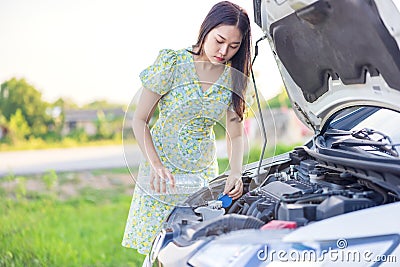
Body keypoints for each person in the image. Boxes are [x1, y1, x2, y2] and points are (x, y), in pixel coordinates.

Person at [122, 0, 252, 260]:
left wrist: (236, 171)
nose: (224, 50)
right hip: (162, 170)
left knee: (194, 248)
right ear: (206, 29)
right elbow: (140, 120)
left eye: (234, 46)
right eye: (219, 40)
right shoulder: (173, 63)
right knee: (158, 251)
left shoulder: (233, 78)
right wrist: (156, 165)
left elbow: (235, 134)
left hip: (201, 173)